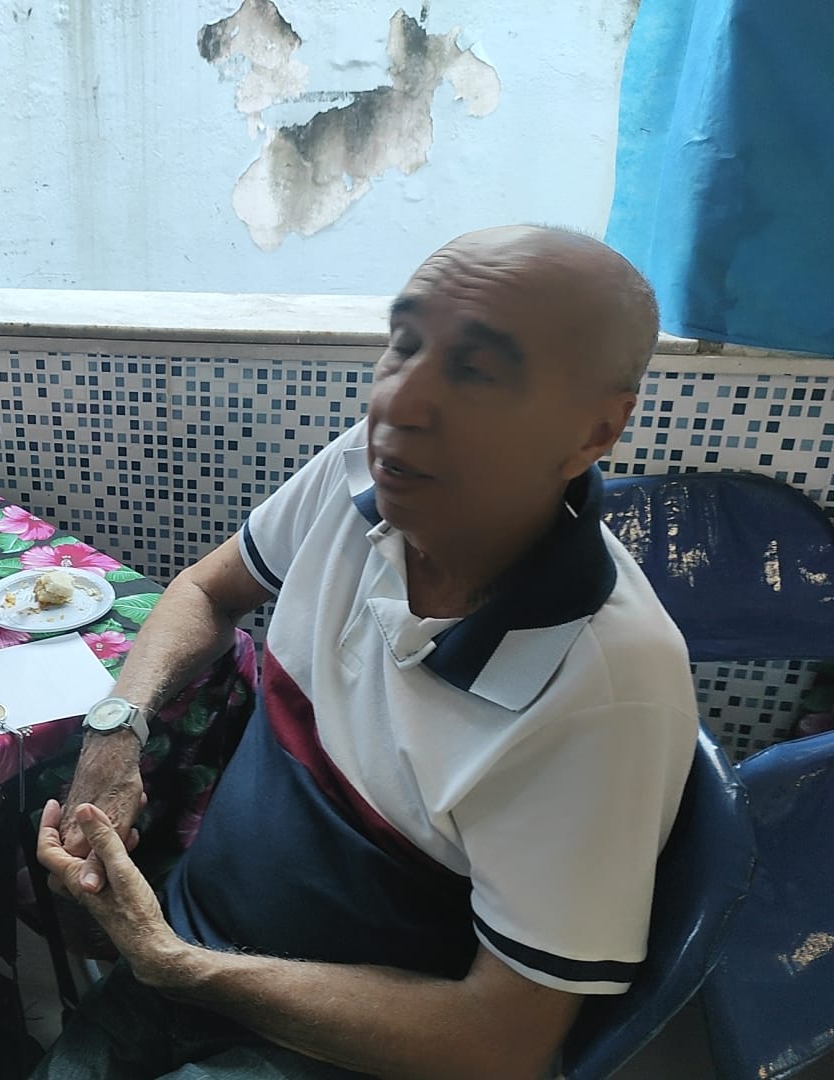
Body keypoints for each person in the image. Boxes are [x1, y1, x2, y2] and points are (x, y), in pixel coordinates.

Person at [36, 226, 699, 1079]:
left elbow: (502, 1043)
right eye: (405, 343)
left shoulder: (606, 692)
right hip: (191, 949)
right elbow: (206, 589)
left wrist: (178, 966)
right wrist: (116, 730)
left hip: (340, 1049)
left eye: (476, 370)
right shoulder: (369, 469)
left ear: (594, 430)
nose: (399, 404)